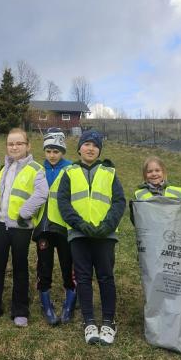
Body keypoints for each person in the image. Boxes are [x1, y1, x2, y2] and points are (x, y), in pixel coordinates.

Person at [58, 130, 125, 345]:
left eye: (95, 145)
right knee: (83, 278)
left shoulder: (109, 173)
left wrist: (106, 226)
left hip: (105, 236)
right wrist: (80, 225)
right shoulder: (69, 172)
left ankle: (108, 322)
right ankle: (89, 322)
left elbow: (119, 202)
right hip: (79, 235)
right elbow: (63, 202)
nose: (90, 148)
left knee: (106, 277)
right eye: (86, 144)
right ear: (79, 149)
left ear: (99, 150)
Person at [0, 128, 48, 327]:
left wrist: (24, 213)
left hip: (21, 227)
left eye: (19, 143)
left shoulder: (36, 169)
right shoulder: (2, 168)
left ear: (28, 146)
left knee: (20, 267)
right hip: (0, 225)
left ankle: (20, 310)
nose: (14, 147)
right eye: (10, 144)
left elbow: (42, 193)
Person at [32, 128, 75, 326]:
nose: (52, 155)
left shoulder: (72, 169)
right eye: (48, 151)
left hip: (64, 226)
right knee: (44, 265)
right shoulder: (38, 169)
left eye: (56, 151)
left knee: (68, 264)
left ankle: (70, 302)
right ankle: (46, 303)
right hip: (43, 227)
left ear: (62, 151)